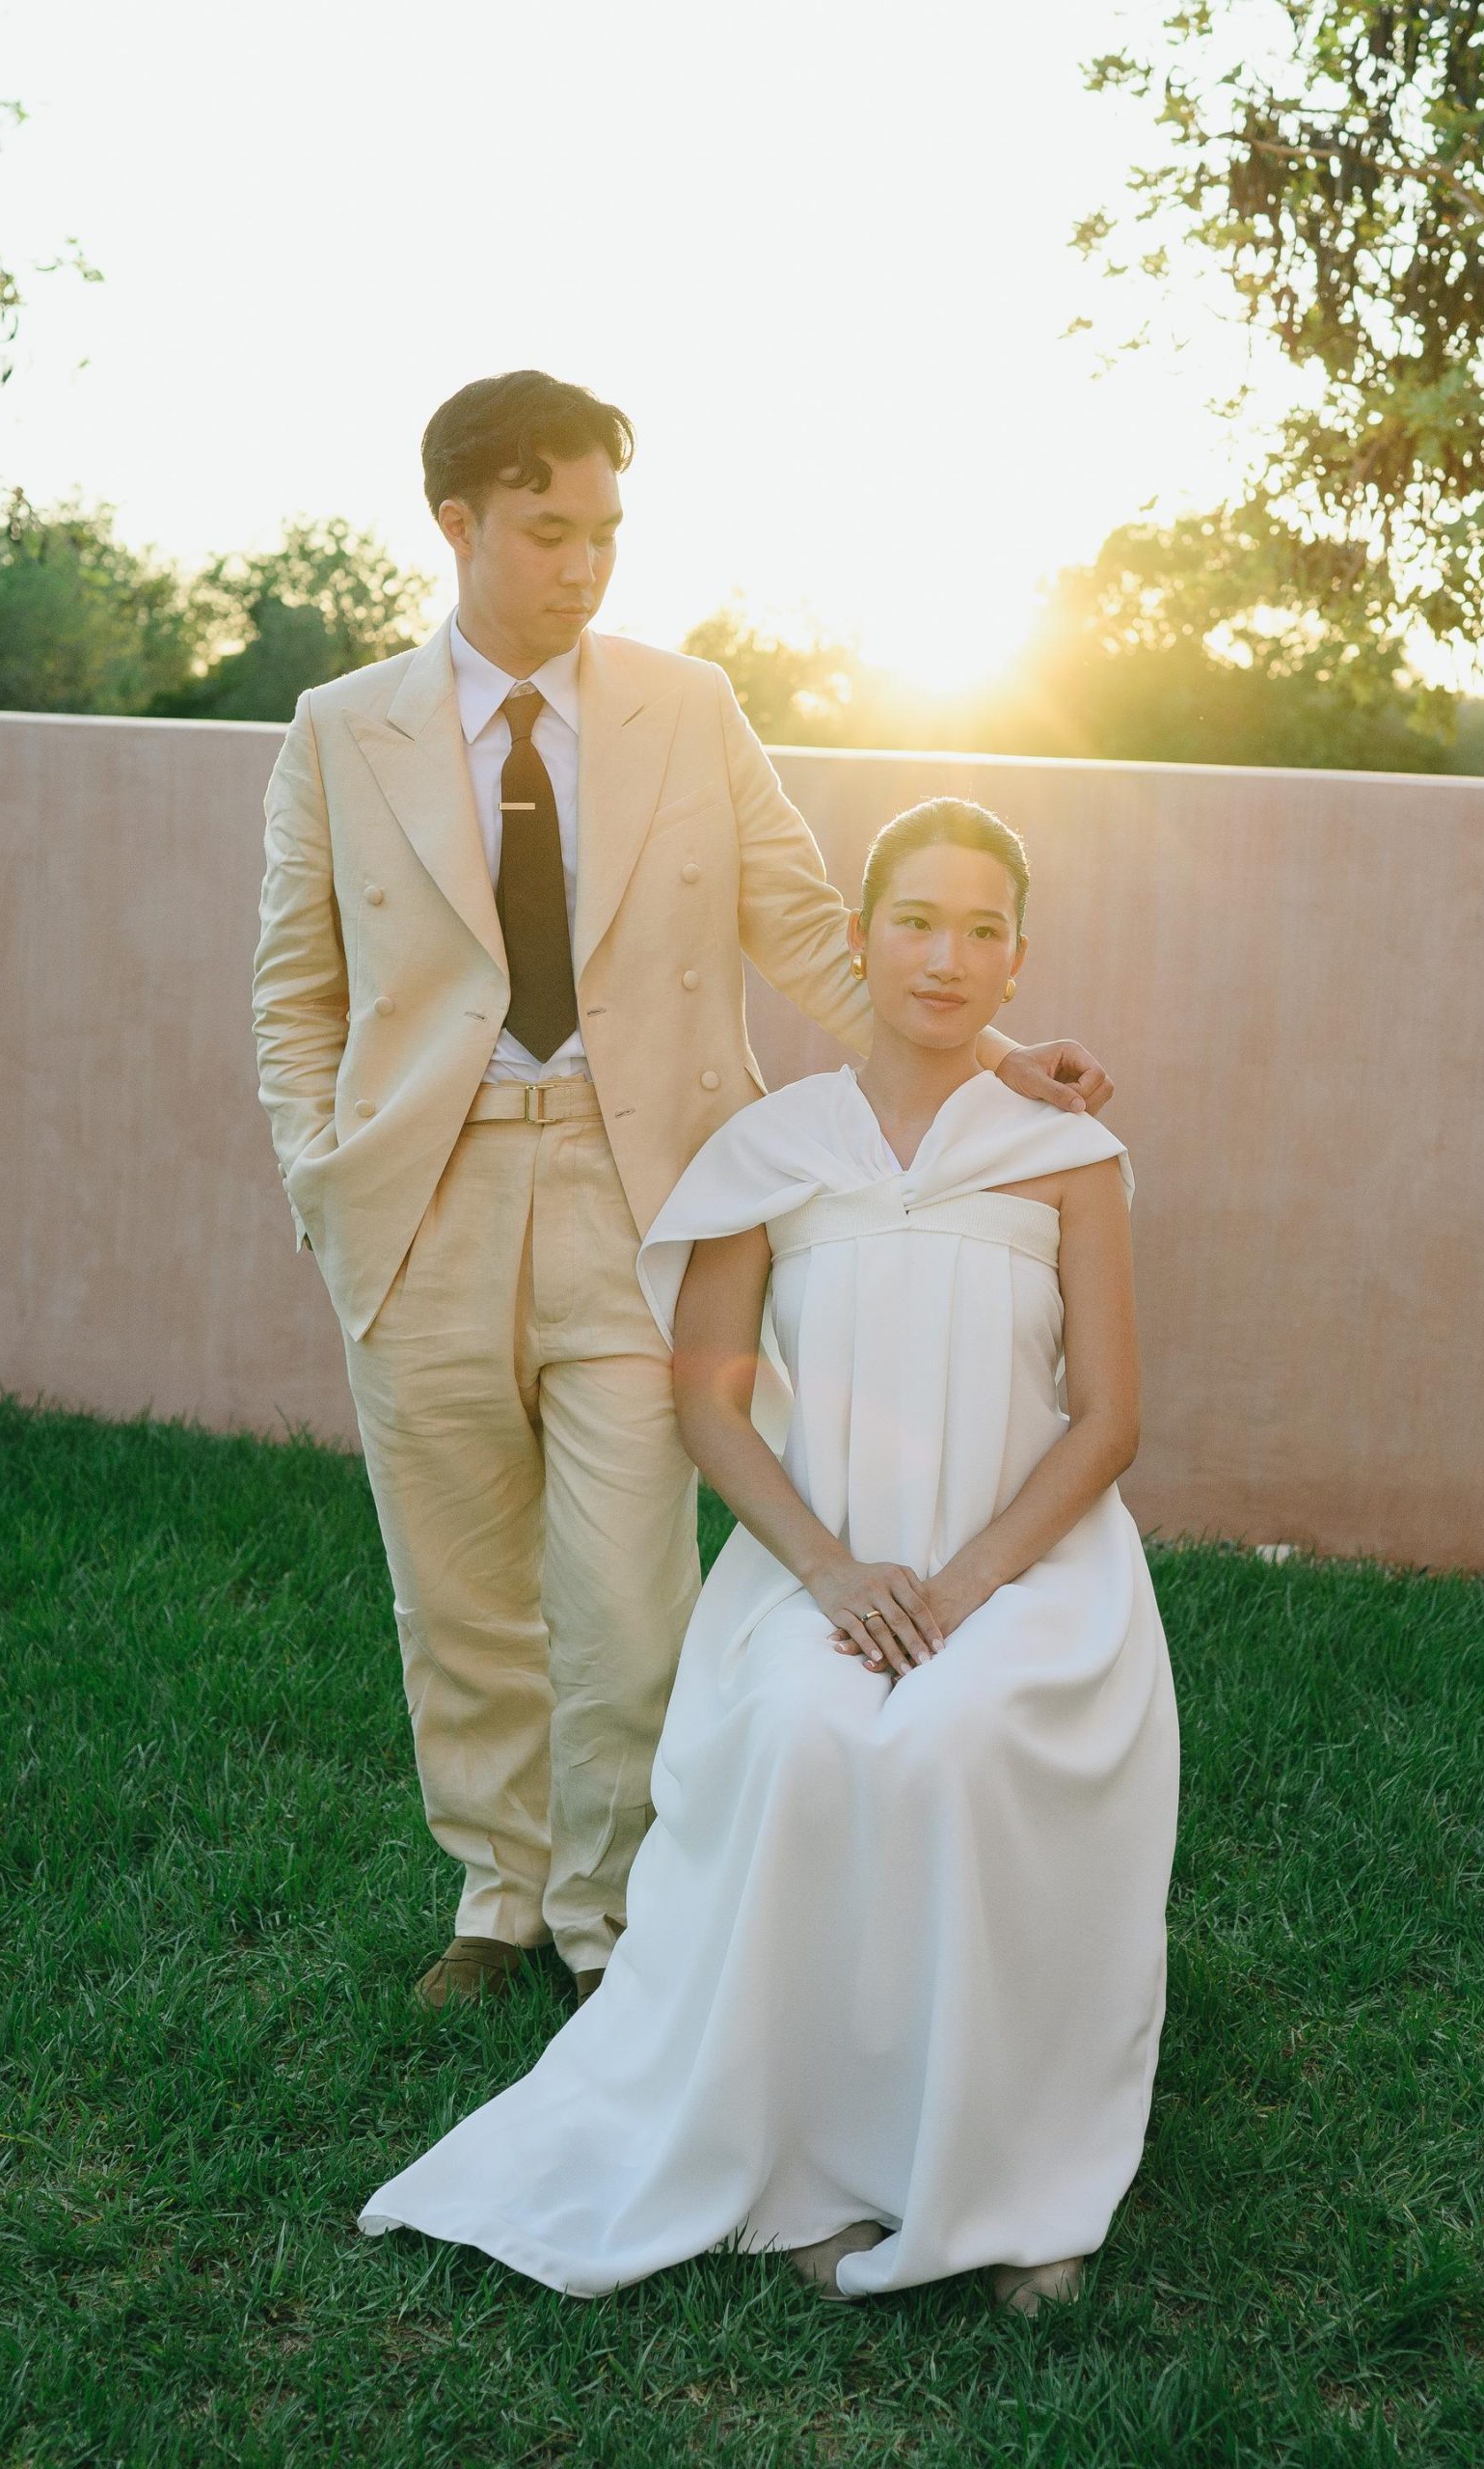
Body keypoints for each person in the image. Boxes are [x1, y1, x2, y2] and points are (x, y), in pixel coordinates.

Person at [254, 369, 1114, 2012]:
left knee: (626, 1590)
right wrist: (323, 1174)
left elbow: (805, 923)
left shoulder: (688, 707)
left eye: (607, 533)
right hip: (419, 1199)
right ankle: (495, 1899)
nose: (585, 566)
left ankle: (610, 1916)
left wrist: (991, 1055)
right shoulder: (336, 731)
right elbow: (296, 993)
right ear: (460, 522)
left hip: (642, 1195)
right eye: (548, 530)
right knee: (456, 1591)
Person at [359, 799, 1179, 2309]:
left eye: (983, 929)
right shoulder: (773, 1148)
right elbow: (708, 1396)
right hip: (822, 1565)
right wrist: (834, 1573)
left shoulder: (1071, 1153)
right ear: (860, 940)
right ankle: (800, 2157)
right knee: (805, 1737)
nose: (947, 954)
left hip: (1025, 1571)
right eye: (915, 919)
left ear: (1020, 965)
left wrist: (964, 1584)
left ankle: (1009, 2180)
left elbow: (1110, 1420)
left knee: (955, 1739)